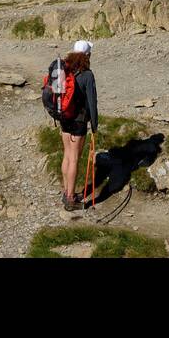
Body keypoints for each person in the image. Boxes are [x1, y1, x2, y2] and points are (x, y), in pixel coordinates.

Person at [59, 40, 99, 211]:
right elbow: (92, 102)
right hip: (79, 121)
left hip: (64, 118)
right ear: (87, 55)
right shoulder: (87, 75)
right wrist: (95, 125)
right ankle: (70, 199)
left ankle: (66, 191)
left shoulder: (65, 70)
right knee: (74, 158)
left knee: (67, 155)